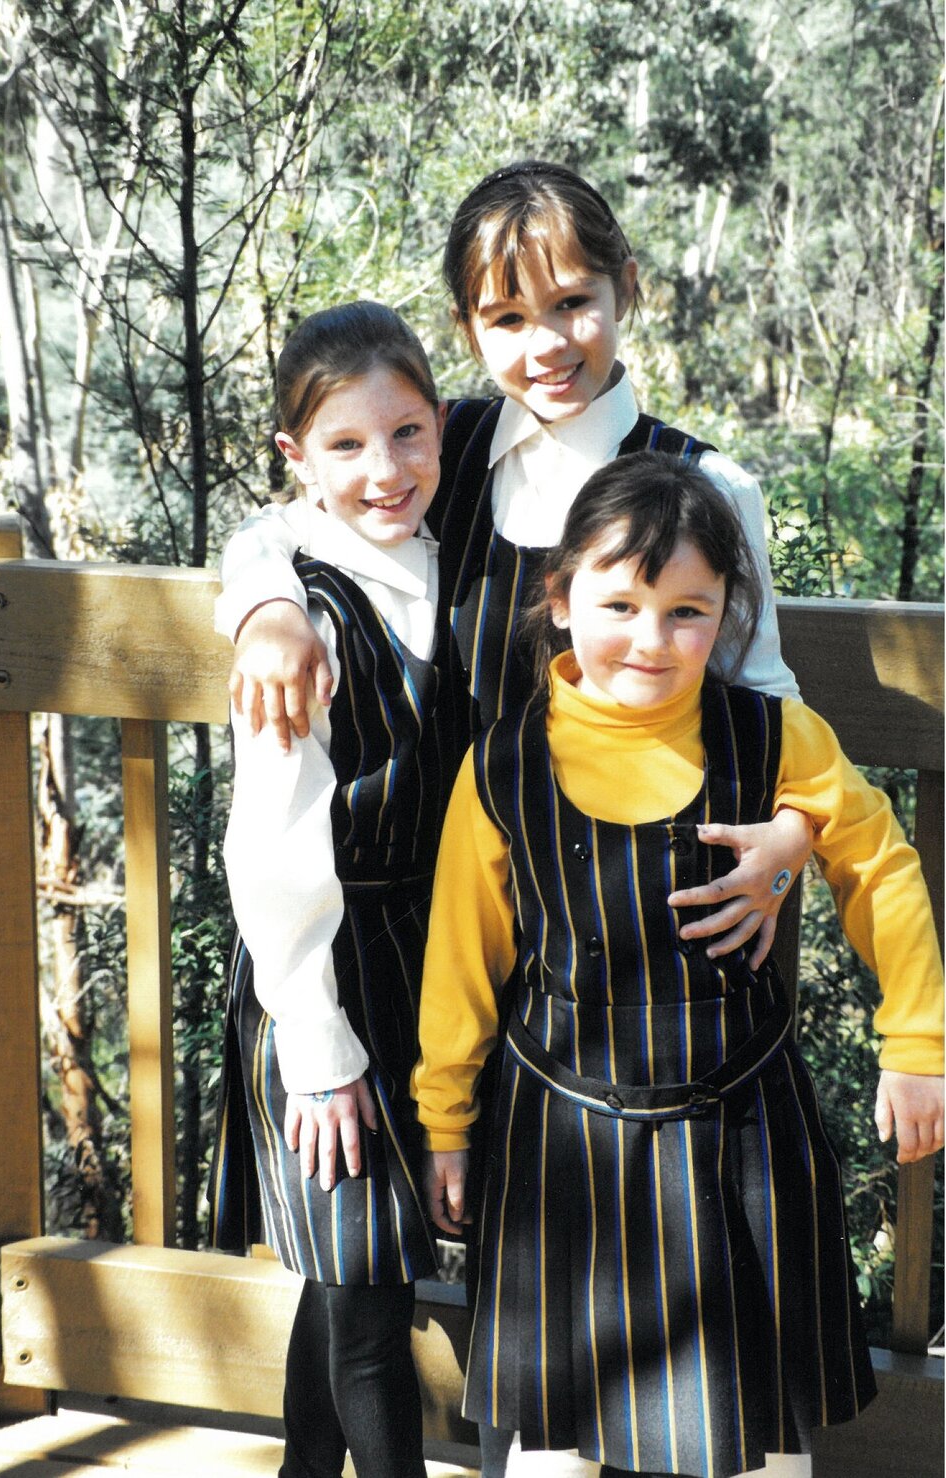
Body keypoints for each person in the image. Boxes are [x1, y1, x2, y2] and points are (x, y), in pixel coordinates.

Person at [412, 452, 945, 1478]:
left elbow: (882, 867)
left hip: (738, 1128)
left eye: (687, 611)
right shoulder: (503, 762)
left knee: (761, 1435)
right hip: (556, 1135)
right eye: (619, 603)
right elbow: (460, 963)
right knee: (550, 1437)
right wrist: (442, 1125)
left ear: (727, 613)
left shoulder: (772, 733)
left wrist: (916, 1042)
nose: (652, 640)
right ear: (560, 601)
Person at [216, 159, 813, 976]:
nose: (547, 345)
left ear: (624, 288)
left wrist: (790, 838)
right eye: (507, 318)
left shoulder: (704, 486)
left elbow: (770, 703)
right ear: (469, 331)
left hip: (639, 932)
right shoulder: (439, 452)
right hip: (460, 928)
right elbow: (279, 524)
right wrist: (267, 611)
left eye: (572, 303)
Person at [208, 300, 450, 1478]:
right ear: (295, 459)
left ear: (442, 427)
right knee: (363, 1302)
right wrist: (315, 1041)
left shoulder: (444, 557)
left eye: (407, 433)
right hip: (327, 977)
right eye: (345, 446)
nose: (384, 468)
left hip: (429, 960)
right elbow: (270, 842)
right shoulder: (304, 614)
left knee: (356, 1271)